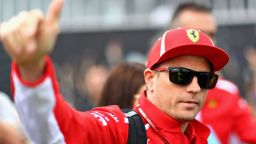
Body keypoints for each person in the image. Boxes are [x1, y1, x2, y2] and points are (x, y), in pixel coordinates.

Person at [0, 0, 230, 143]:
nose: (194, 88)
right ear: (149, 79)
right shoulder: (118, 127)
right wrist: (32, 70)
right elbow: (59, 130)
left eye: (204, 79)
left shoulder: (199, 136)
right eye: (181, 75)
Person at [170, 2, 256, 144]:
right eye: (196, 33)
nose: (207, 40)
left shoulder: (227, 91)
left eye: (211, 34)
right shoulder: (149, 87)